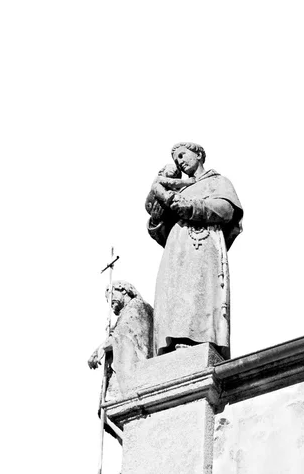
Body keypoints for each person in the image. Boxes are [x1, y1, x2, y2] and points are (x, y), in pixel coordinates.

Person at [146, 142, 243, 359]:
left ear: (198, 154)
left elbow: (226, 210)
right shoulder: (179, 186)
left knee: (197, 286)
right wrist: (157, 215)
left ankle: (193, 341)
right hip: (176, 245)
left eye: (182, 155)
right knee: (172, 291)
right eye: (176, 159)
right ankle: (169, 346)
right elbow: (159, 228)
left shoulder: (218, 182)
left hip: (202, 242)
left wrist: (190, 207)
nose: (179, 161)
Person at [88, 281, 153, 399]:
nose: (110, 302)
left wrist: (101, 348)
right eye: (108, 300)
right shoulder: (126, 311)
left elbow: (125, 334)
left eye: (112, 295)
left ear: (123, 290)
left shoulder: (136, 306)